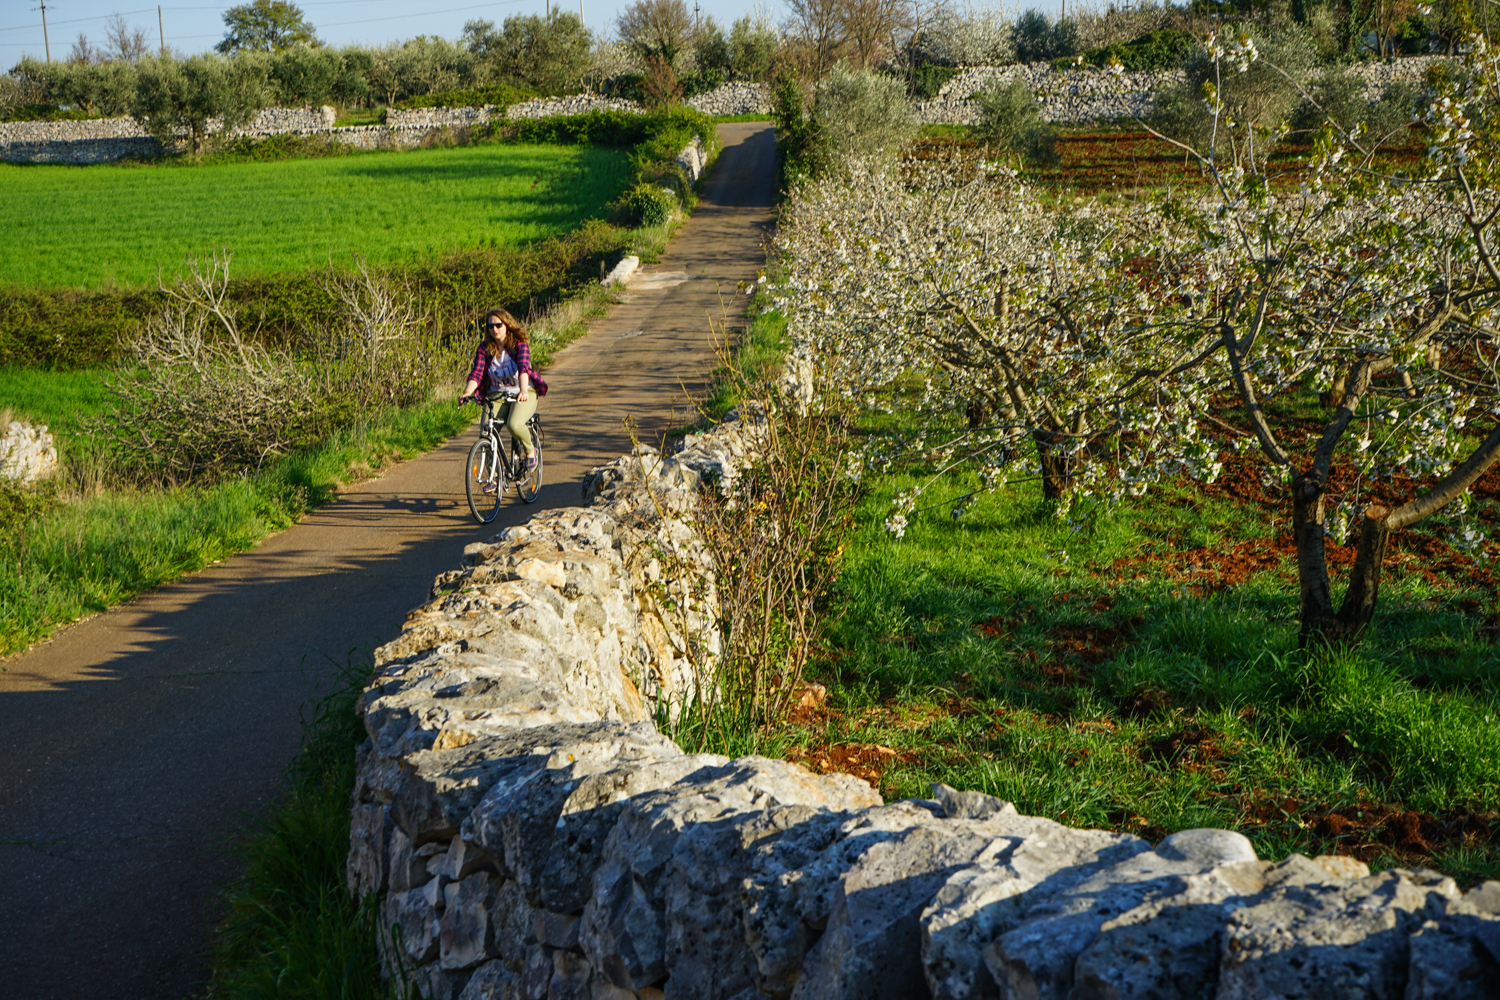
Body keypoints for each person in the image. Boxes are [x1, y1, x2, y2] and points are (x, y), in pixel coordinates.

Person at [460, 308, 547, 478]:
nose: (495, 330)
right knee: (486, 432)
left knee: (514, 424)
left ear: (507, 325)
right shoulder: (485, 348)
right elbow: (477, 374)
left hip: (523, 391)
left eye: (499, 325)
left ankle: (530, 451)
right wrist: (467, 393)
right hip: (496, 395)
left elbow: (524, 368)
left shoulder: (519, 345)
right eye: (491, 326)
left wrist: (523, 390)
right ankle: (493, 478)